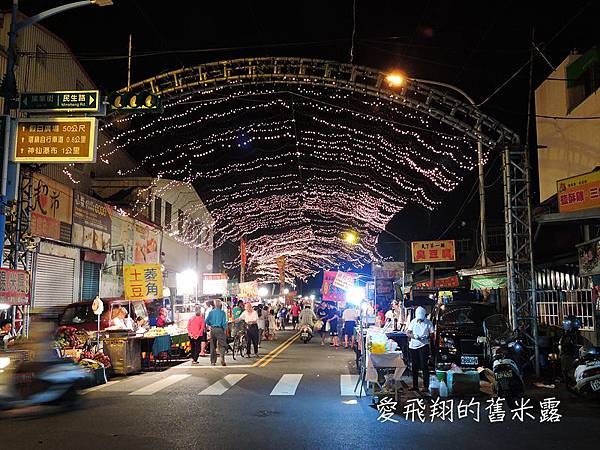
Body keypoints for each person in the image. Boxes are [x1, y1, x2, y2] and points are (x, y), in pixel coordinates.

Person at [406, 306, 434, 392]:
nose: (419, 321)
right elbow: (408, 333)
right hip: (413, 346)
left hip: (423, 346)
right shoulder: (413, 322)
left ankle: (426, 386)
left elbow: (432, 333)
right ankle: (415, 386)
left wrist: (427, 336)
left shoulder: (428, 323)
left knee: (424, 366)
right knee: (414, 366)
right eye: (419, 319)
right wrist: (414, 336)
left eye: (421, 319)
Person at [205, 299, 228, 366]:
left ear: (214, 305)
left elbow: (206, 321)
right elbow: (224, 323)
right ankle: (222, 358)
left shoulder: (211, 312)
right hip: (220, 329)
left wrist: (210, 324)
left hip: (213, 329)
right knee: (222, 344)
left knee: (212, 345)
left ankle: (213, 361)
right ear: (220, 305)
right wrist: (224, 330)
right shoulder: (222, 313)